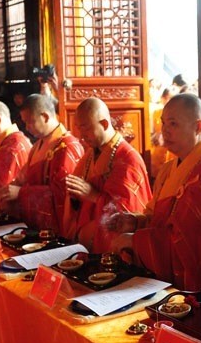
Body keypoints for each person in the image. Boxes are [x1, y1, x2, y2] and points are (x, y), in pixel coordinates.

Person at [109, 94, 201, 295]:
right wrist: (136, 222)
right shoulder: (168, 169)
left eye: (173, 124)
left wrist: (135, 241)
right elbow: (157, 220)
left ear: (198, 127)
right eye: (163, 123)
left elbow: (196, 246)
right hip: (162, 279)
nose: (165, 130)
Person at [64, 97, 151, 251]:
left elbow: (128, 216)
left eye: (86, 128)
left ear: (104, 124)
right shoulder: (90, 154)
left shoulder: (128, 159)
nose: (81, 136)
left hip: (112, 250)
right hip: (87, 244)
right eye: (78, 128)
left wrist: (94, 196)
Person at [0, 94, 83, 233]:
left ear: (45, 116)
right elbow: (21, 180)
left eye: (30, 122)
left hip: (57, 229)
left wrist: (21, 193)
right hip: (36, 224)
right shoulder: (37, 145)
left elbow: (63, 195)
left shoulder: (66, 146)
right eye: (25, 122)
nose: (27, 127)